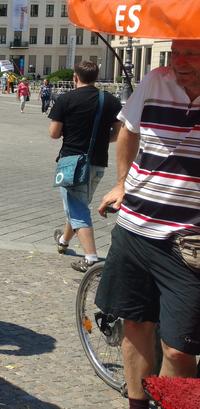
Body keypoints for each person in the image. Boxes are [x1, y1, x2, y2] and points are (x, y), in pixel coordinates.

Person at [95, 40, 200, 409]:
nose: (179, 63)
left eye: (193, 54)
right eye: (176, 52)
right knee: (136, 325)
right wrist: (122, 183)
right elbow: (129, 130)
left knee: (180, 349)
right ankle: (137, 404)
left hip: (188, 243)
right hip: (135, 228)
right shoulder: (156, 80)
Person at [48, 61, 121, 272]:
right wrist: (97, 141)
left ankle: (90, 258)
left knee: (78, 209)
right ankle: (63, 241)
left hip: (71, 161)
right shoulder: (110, 100)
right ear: (96, 77)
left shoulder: (66, 99)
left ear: (75, 77)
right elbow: (117, 134)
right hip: (98, 162)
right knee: (78, 204)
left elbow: (54, 133)